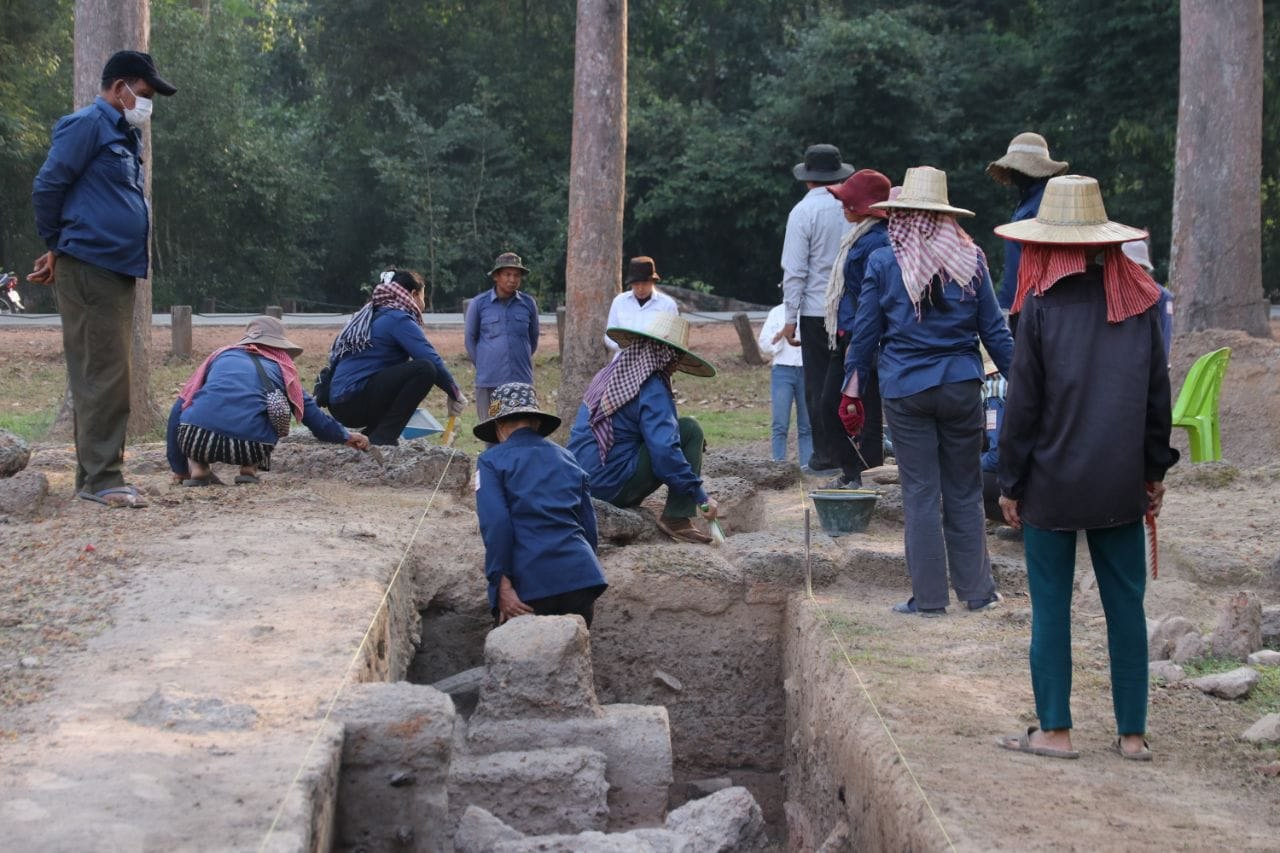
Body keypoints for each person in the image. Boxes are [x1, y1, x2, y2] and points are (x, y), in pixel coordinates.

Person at [994, 175, 1179, 762]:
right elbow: (1158, 403)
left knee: (1051, 609)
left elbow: (1021, 407)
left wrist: (1010, 482)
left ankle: (1055, 731)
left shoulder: (1041, 307)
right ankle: (1131, 736)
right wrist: (1153, 476)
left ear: (1049, 244)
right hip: (1121, 486)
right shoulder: (1142, 302)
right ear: (1104, 243)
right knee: (1126, 608)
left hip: (1051, 486)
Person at [846, 166, 1014, 616]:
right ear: (945, 215)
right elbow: (995, 334)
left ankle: (930, 599)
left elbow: (864, 336)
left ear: (900, 215)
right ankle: (978, 593)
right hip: (961, 386)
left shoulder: (885, 260)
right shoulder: (971, 259)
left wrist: (851, 390)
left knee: (920, 492)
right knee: (963, 488)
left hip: (906, 390)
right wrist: (1025, 382)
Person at [29, 50, 178, 508]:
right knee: (102, 373)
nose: (147, 104)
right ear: (120, 88)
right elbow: (48, 186)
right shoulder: (87, 124)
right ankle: (101, 480)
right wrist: (59, 244)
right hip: (90, 265)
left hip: (111, 267)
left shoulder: (121, 133)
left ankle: (95, 476)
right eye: (145, 94)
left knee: (109, 370)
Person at [568, 313, 721, 545]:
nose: (675, 365)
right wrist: (701, 497)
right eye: (675, 358)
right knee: (690, 430)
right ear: (669, 356)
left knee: (678, 433)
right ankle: (677, 518)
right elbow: (665, 453)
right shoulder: (651, 386)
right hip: (609, 487)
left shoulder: (609, 375)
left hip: (579, 483)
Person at [166, 317, 369, 485]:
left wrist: (179, 469)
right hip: (251, 445)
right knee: (275, 410)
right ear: (279, 345)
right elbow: (313, 418)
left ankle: (198, 470)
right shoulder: (283, 369)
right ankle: (249, 469)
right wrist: (345, 436)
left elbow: (178, 410)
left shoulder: (219, 357)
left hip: (196, 440)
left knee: (196, 413)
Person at [474, 383, 607, 627]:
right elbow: (588, 525)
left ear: (500, 426)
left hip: (530, 585)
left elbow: (497, 524)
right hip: (582, 577)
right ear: (536, 423)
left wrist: (501, 584)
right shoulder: (568, 458)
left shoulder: (490, 462)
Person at [777, 144, 854, 474]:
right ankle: (853, 451)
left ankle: (825, 455)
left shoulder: (802, 213)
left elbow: (795, 270)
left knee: (819, 384)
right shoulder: (851, 208)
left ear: (808, 179)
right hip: (851, 308)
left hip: (814, 310)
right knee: (852, 381)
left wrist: (789, 318)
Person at [327, 268, 467, 445]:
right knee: (424, 369)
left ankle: (373, 434)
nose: (424, 301)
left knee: (399, 377)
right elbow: (430, 358)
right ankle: (382, 438)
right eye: (424, 295)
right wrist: (454, 391)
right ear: (414, 294)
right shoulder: (398, 318)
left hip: (340, 402)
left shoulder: (371, 314)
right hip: (354, 399)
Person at [820, 169, 892, 488]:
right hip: (850, 331)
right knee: (858, 407)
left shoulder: (876, 239)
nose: (842, 206)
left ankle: (860, 474)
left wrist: (857, 339)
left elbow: (869, 296)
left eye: (847, 201)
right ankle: (860, 473)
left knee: (848, 408)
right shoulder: (863, 234)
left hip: (860, 334)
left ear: (861, 207)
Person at [987, 132, 1070, 331]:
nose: (1013, 175)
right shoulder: (1027, 202)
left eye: (1017, 170)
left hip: (1035, 302)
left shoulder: (1045, 203)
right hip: (1023, 300)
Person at [464, 252, 540, 422]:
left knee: (521, 428)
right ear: (496, 277)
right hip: (490, 382)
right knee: (492, 427)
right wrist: (485, 363)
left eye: (517, 275)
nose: (512, 280)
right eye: (507, 274)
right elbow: (470, 340)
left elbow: (533, 340)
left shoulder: (528, 304)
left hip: (521, 381)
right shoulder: (479, 304)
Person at [757, 300, 813, 467]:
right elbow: (765, 343)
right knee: (780, 422)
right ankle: (778, 465)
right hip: (782, 369)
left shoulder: (810, 311)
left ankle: (807, 466)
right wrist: (783, 333)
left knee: (807, 424)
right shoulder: (777, 312)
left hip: (806, 369)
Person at [603, 256, 678, 353]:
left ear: (652, 282)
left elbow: (674, 341)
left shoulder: (667, 305)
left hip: (655, 361)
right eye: (636, 284)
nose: (640, 288)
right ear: (631, 283)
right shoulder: (619, 302)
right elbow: (609, 335)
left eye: (645, 284)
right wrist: (627, 347)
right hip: (623, 359)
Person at [1121, 238, 1175, 362]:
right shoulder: (1112, 293)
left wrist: (1163, 364)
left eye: (1140, 268)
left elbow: (1165, 336)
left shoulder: (1161, 296)